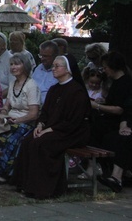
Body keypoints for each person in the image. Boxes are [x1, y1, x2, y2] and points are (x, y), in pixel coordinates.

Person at [12, 55, 91, 199]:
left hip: (71, 132)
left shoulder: (77, 91)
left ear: (68, 70)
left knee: (42, 144)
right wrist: (41, 125)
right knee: (28, 141)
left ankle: (43, 189)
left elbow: (74, 120)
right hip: (53, 129)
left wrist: (50, 129)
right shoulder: (54, 89)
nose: (53, 69)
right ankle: (24, 185)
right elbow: (45, 112)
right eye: (53, 66)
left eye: (57, 66)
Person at [0, 53, 40, 183]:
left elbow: (34, 113)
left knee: (9, 140)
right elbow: (7, 106)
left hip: (25, 123)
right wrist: (2, 111)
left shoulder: (31, 85)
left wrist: (18, 120)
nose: (13, 67)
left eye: (17, 64)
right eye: (11, 64)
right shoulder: (12, 83)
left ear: (25, 66)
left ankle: (3, 173)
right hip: (10, 120)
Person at [82, 51, 132, 178]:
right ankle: (93, 166)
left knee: (95, 129)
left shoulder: (125, 83)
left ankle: (95, 167)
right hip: (111, 120)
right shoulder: (115, 82)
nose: (104, 71)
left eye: (105, 68)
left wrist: (97, 106)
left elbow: (120, 109)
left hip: (116, 121)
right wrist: (104, 102)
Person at [31, 40, 59, 104]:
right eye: (41, 56)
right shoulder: (38, 68)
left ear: (55, 56)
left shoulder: (59, 72)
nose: (42, 59)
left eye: (46, 56)